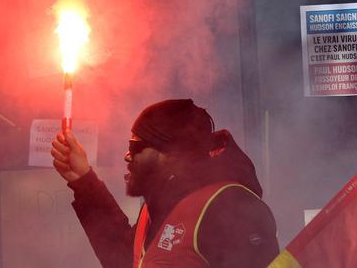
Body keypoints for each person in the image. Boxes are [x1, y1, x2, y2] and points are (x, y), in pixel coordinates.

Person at [51, 98, 279, 268]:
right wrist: (83, 181)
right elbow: (122, 258)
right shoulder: (158, 210)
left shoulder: (229, 208)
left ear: (173, 154)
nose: (127, 156)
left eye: (135, 147)